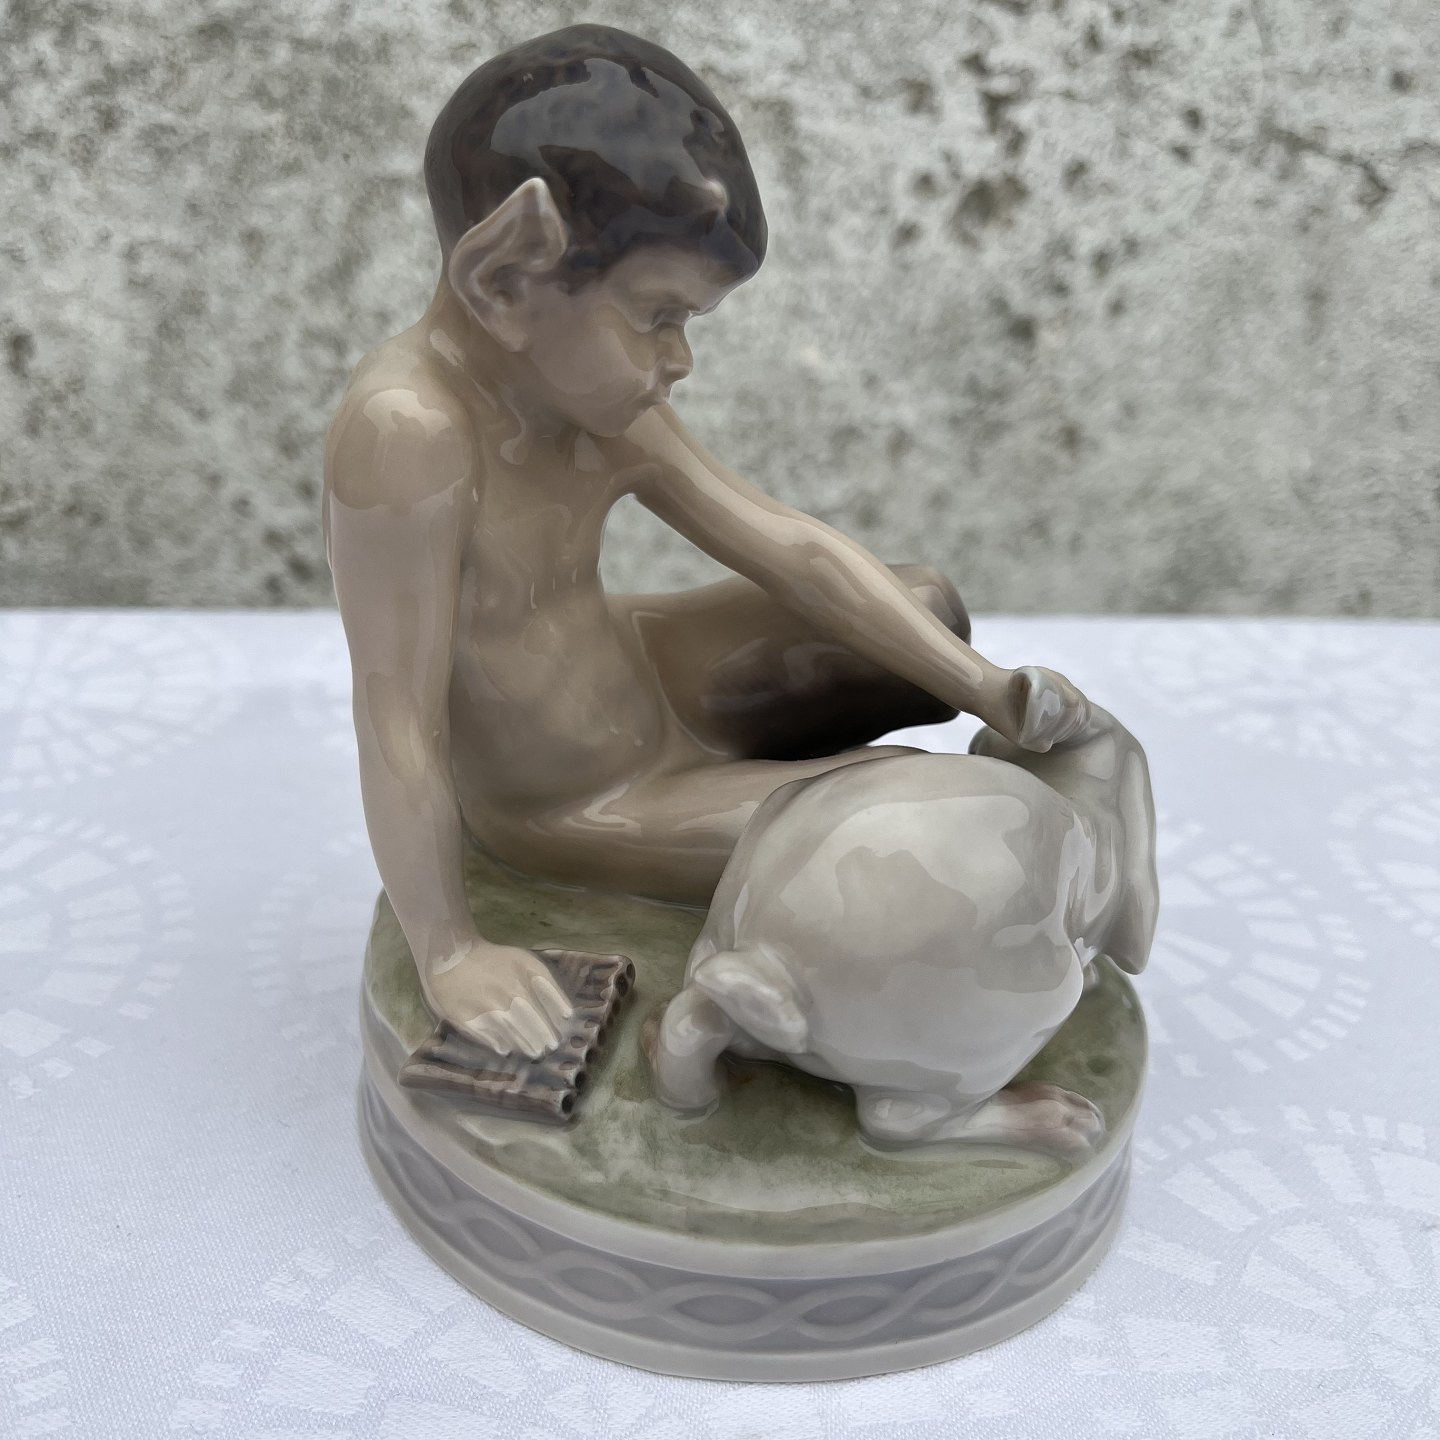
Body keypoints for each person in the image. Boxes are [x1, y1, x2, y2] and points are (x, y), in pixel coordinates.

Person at [324, 25, 1093, 1059]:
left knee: (925, 608)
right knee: (906, 817)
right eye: (658, 316)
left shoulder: (582, 394)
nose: (679, 357)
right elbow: (398, 720)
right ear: (506, 279)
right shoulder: (407, 435)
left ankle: (929, 737)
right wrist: (449, 950)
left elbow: (788, 549)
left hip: (644, 672)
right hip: (582, 795)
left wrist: (984, 687)